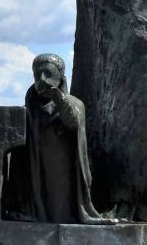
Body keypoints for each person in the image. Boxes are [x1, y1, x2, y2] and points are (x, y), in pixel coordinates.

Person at [24, 53, 113, 225]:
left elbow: (72, 122)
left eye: (48, 73)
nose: (42, 79)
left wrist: (58, 97)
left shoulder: (74, 103)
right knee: (43, 203)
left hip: (65, 167)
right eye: (38, 74)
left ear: (60, 76)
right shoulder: (31, 106)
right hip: (38, 165)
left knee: (61, 210)